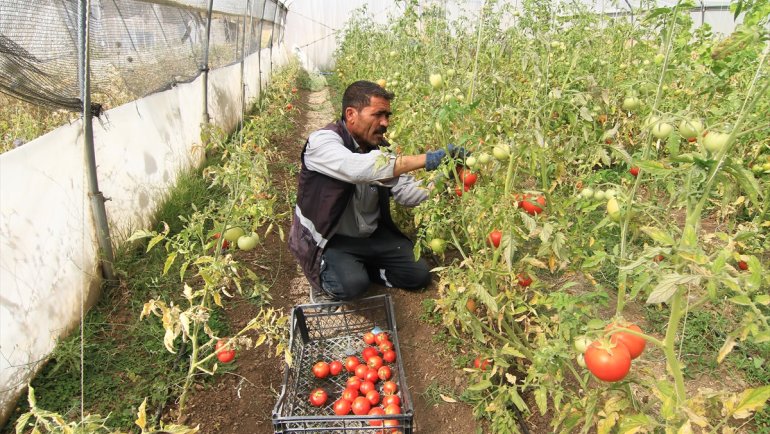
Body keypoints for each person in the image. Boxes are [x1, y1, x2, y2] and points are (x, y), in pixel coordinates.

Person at [288, 80, 465, 303]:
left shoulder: (381, 149)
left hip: (371, 235)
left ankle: (362, 268)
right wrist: (429, 159)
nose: (385, 123)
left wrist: (446, 178)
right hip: (330, 238)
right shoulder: (322, 142)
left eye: (388, 116)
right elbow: (358, 169)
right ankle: (335, 273)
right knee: (351, 286)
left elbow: (407, 193)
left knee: (418, 275)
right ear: (351, 114)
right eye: (378, 114)